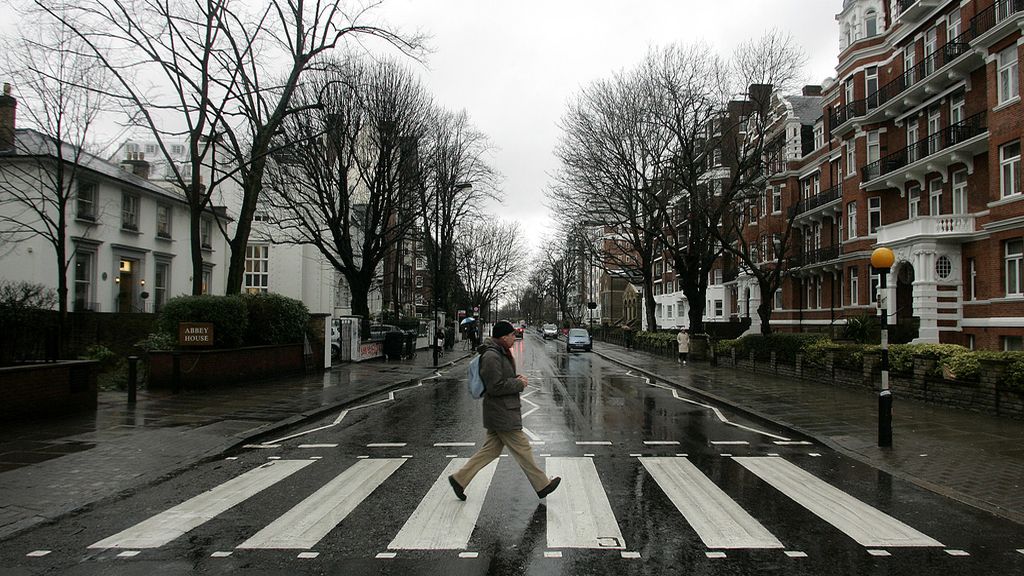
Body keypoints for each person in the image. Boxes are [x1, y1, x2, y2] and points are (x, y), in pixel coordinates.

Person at [449, 320, 561, 501]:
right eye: (512, 335)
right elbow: (494, 386)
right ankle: (542, 485)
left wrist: (515, 378)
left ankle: (459, 479)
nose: (514, 338)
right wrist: (519, 383)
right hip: (502, 412)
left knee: (491, 450)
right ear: (503, 336)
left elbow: (500, 379)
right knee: (523, 448)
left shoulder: (498, 353)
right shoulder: (492, 356)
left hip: (500, 411)